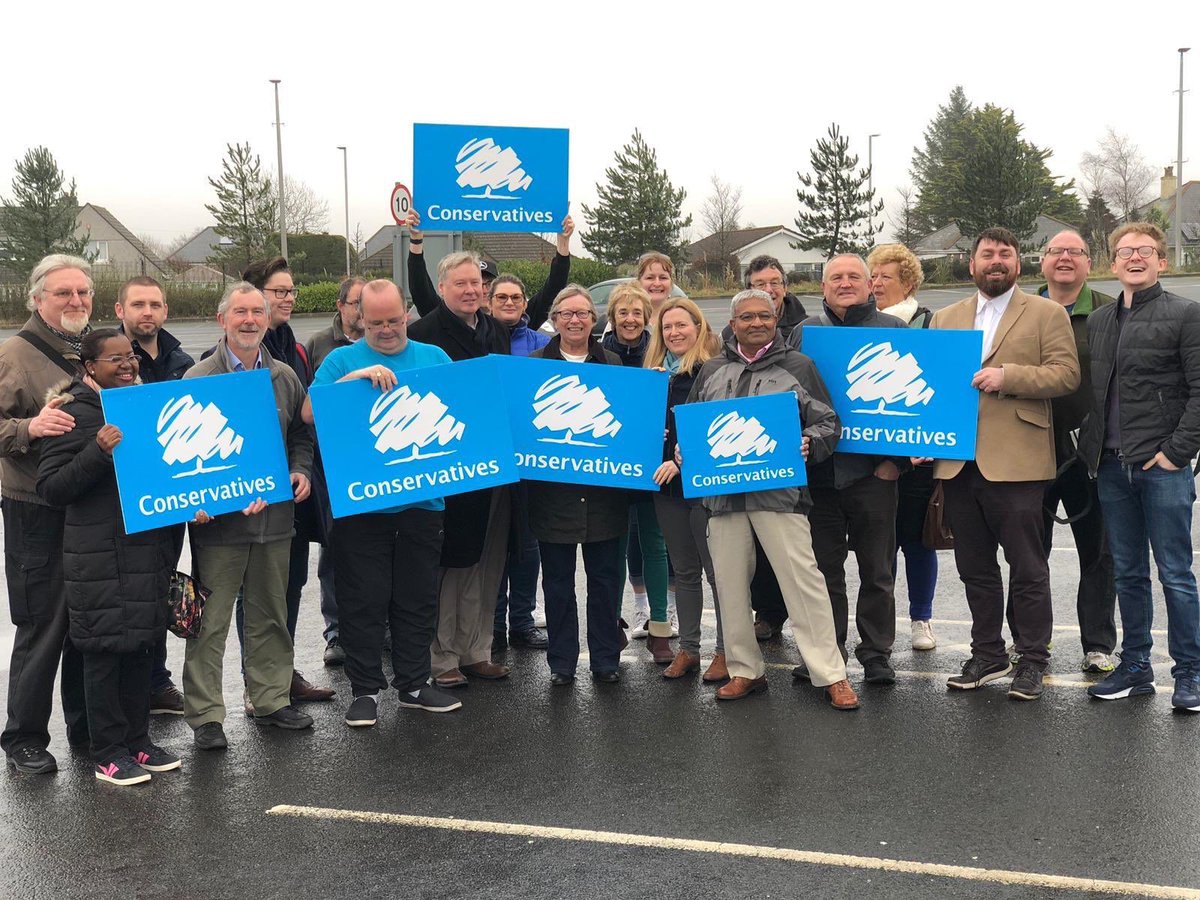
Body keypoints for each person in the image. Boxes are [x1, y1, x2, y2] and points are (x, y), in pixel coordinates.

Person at [685, 288, 859, 709]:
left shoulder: (799, 366)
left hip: (780, 497)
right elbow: (690, 426)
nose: (756, 323)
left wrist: (808, 443)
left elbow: (828, 424)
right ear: (733, 323)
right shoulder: (710, 370)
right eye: (746, 317)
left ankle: (831, 674)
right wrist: (683, 452)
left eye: (764, 316)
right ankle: (746, 670)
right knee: (729, 587)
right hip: (723, 501)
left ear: (775, 318)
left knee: (805, 585)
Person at [302, 279, 463, 725]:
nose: (387, 330)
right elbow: (308, 413)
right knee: (362, 601)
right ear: (360, 319)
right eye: (376, 323)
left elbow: (463, 408)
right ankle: (365, 691)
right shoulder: (341, 360)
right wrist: (353, 381)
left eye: (394, 320)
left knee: (416, 599)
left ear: (406, 313)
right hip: (362, 507)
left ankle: (413, 684)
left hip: (423, 504)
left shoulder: (433, 357)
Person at [931, 227, 1080, 701]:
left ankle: (1033, 659)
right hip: (957, 463)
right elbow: (931, 386)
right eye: (987, 254)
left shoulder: (1046, 313)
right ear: (971, 264)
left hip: (1018, 462)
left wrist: (1008, 376)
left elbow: (1066, 374)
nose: (996, 261)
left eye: (1005, 254)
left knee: (1028, 568)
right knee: (974, 567)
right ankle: (988, 653)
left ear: (1019, 263)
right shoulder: (944, 318)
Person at [37, 329, 180, 785]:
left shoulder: (143, 406)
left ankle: (138, 741)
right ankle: (107, 753)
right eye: (114, 358)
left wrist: (190, 505)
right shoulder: (72, 413)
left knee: (141, 647)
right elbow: (53, 488)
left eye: (130, 357)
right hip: (96, 556)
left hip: (145, 549)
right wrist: (98, 450)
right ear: (88, 367)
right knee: (103, 654)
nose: (126, 364)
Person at [182, 282, 314, 750]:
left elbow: (301, 434)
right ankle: (205, 716)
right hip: (220, 528)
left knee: (270, 615)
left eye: (257, 312)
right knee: (210, 622)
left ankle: (272, 700)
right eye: (240, 312)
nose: (250, 321)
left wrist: (300, 471)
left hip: (275, 522)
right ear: (223, 320)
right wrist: (206, 501)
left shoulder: (284, 376)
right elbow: (184, 455)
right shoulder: (197, 379)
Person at [1080, 223, 1200, 712]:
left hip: (1163, 467)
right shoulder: (1101, 320)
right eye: (1124, 251)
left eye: (1143, 250)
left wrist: (1176, 451)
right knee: (1128, 574)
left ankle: (1190, 672)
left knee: (1175, 573)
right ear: (1113, 262)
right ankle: (1135, 667)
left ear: (1160, 260)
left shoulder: (1186, 315)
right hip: (1112, 466)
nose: (1133, 257)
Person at [789, 254, 908, 685]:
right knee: (822, 573)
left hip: (873, 474)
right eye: (835, 277)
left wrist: (893, 465)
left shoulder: (895, 330)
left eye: (853, 276)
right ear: (823, 287)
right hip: (818, 476)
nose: (844, 283)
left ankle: (876, 653)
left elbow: (912, 405)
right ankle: (827, 652)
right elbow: (786, 400)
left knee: (878, 570)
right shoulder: (804, 334)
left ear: (869, 284)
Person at [0, 254, 92, 774]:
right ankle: (24, 738)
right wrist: (28, 430)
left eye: (83, 292)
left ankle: (86, 730)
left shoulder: (94, 349)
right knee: (41, 625)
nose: (76, 301)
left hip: (87, 507)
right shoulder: (14, 355)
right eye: (64, 294)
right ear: (37, 299)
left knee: (85, 622)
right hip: (34, 509)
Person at [408, 251, 514, 687]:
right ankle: (442, 657)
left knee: (485, 563)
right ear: (442, 288)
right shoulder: (423, 334)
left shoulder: (494, 329)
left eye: (477, 284)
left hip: (495, 463)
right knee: (447, 563)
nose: (473, 290)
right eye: (462, 284)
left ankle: (476, 649)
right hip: (447, 466)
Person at [238, 258, 332, 704]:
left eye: (291, 290)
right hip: (246, 501)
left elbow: (301, 423)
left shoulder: (292, 350)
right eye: (279, 291)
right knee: (253, 596)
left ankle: (283, 670)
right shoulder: (230, 356)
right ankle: (261, 680)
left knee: (289, 586)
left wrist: (302, 468)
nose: (288, 298)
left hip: (290, 494)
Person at [528, 286, 631, 685]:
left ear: (594, 319)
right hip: (553, 496)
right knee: (557, 584)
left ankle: (606, 658)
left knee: (606, 582)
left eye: (583, 313)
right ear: (554, 320)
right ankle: (562, 662)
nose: (575, 320)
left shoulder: (616, 365)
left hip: (605, 495)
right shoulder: (533, 366)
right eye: (566, 313)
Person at [114, 276, 194, 714]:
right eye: (138, 304)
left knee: (162, 584)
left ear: (165, 311)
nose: (148, 312)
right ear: (119, 310)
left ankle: (156, 681)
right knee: (128, 592)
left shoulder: (182, 360)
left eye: (155, 304)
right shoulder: (105, 360)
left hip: (172, 496)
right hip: (126, 496)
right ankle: (128, 684)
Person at [645, 297, 726, 680]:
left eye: (682, 325)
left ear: (698, 328)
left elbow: (719, 428)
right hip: (667, 492)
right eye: (667, 327)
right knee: (685, 571)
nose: (674, 333)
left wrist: (680, 460)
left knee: (719, 573)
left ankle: (728, 650)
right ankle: (689, 649)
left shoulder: (714, 372)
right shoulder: (655, 376)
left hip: (707, 489)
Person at [867, 243, 939, 652]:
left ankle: (922, 619)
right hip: (875, 457)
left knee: (918, 540)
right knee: (880, 545)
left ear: (908, 282)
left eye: (885, 277)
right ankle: (882, 625)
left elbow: (937, 385)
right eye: (872, 276)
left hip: (919, 452)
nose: (876, 283)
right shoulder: (859, 325)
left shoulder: (931, 323)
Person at [603, 283, 672, 663]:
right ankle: (611, 622)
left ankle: (660, 627)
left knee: (654, 545)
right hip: (612, 466)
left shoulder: (660, 353)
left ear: (648, 316)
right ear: (612, 317)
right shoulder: (600, 356)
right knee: (612, 546)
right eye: (622, 313)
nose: (630, 320)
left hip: (652, 464)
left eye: (636, 313)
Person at [305, 275, 366, 667]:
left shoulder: (389, 344)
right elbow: (309, 406)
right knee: (335, 551)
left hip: (376, 461)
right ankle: (336, 631)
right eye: (357, 302)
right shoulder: (319, 346)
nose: (363, 310)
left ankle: (380, 629)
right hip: (333, 463)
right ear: (341, 306)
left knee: (375, 549)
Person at [487, 274, 548, 652]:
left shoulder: (543, 344)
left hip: (532, 458)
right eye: (502, 297)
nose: (509, 302)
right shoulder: (477, 339)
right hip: (491, 455)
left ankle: (522, 622)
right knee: (494, 544)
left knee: (528, 544)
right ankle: (492, 625)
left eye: (516, 297)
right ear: (488, 302)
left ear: (526, 303)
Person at [405, 210, 574, 330]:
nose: (481, 289)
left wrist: (563, 245)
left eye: (487, 283)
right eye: (464, 283)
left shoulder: (518, 319)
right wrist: (416, 241)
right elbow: (421, 292)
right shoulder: (447, 318)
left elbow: (553, 290)